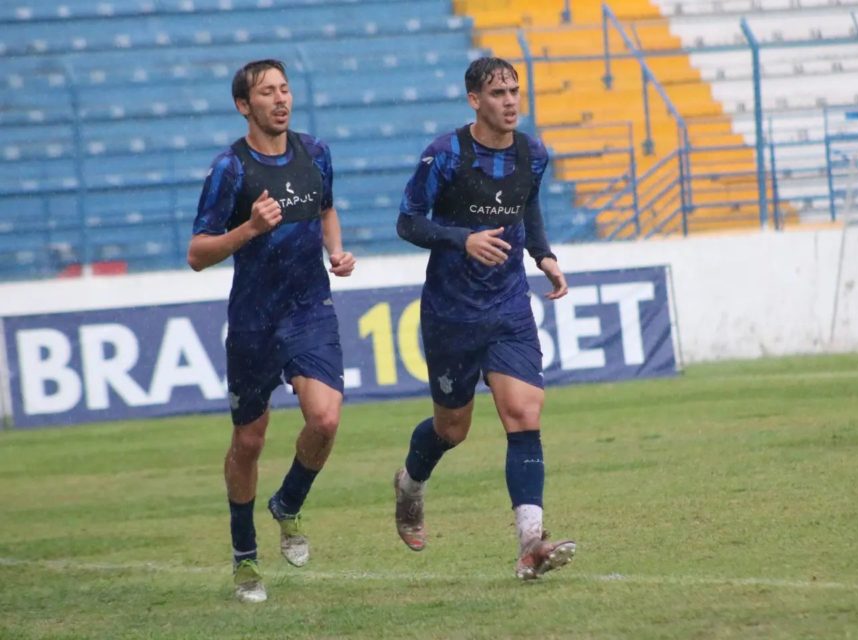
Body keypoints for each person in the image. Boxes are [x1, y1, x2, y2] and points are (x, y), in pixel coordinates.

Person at [391, 56, 576, 580]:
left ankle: (531, 543)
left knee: (524, 413)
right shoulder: (445, 154)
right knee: (453, 429)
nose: (511, 100)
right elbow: (407, 221)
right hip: (451, 311)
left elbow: (526, 206)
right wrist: (462, 239)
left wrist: (543, 255)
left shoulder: (532, 153)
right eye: (498, 93)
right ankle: (410, 483)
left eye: (515, 90)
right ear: (475, 100)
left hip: (509, 306)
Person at [187, 59, 356, 603]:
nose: (280, 99)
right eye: (267, 93)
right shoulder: (229, 170)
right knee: (249, 440)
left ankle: (287, 503)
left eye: (284, 89)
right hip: (256, 322)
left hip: (309, 309)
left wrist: (335, 251)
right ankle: (244, 557)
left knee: (326, 418)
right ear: (245, 106)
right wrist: (250, 228)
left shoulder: (317, 153)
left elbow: (326, 208)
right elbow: (197, 254)